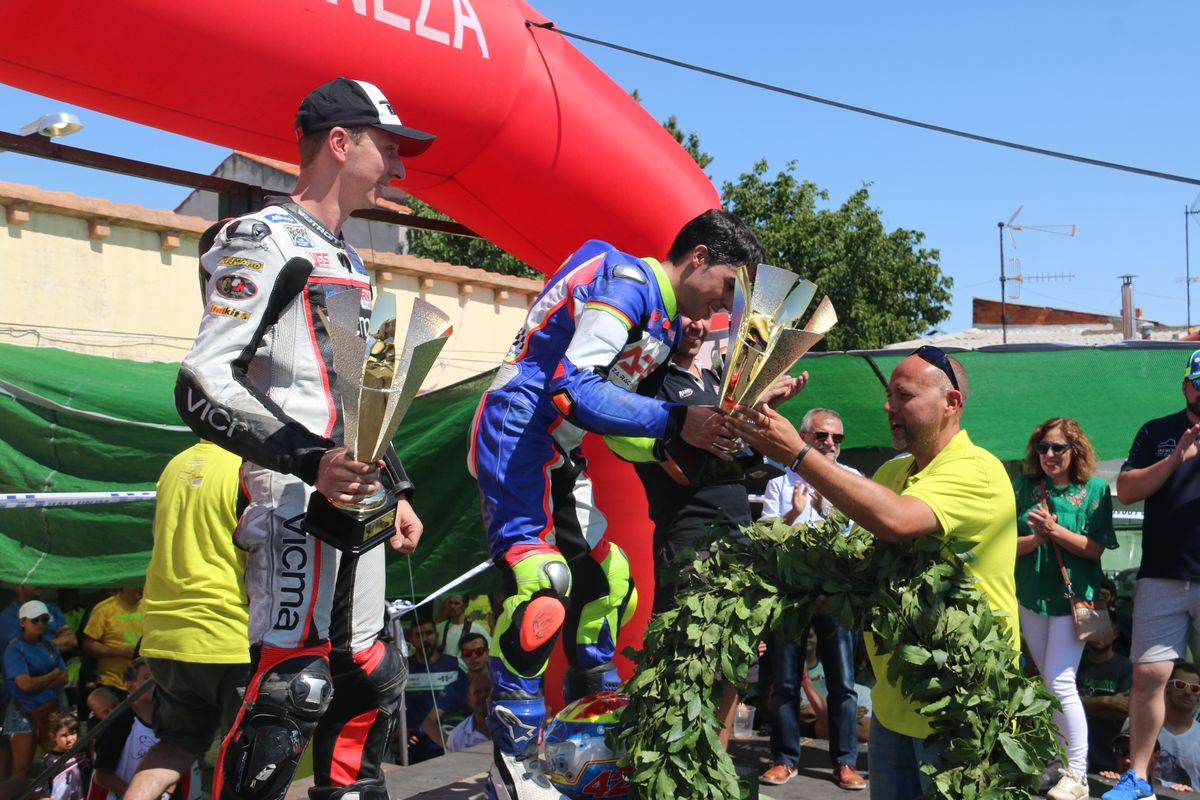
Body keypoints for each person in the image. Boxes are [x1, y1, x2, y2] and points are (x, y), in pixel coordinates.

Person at [173, 77, 433, 800]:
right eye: (389, 148)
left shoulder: (347, 256)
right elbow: (202, 380)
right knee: (294, 686)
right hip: (293, 495)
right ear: (340, 144)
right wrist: (309, 461)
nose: (399, 167)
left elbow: (357, 397)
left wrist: (396, 483)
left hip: (355, 492)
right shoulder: (261, 235)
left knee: (371, 671)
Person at [468, 209, 764, 797]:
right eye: (729, 287)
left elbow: (619, 419)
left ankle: (588, 739)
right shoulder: (629, 281)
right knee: (543, 585)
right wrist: (675, 420)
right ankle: (515, 763)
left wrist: (673, 443)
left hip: (560, 452)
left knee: (610, 584)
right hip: (518, 434)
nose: (724, 308)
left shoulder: (660, 317)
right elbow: (571, 386)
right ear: (699, 257)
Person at [729, 345, 1019, 800]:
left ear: (951, 403)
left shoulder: (977, 470)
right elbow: (862, 557)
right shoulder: (891, 470)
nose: (888, 406)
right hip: (894, 704)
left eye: (903, 395)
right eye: (889, 396)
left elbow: (898, 520)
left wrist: (799, 454)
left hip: (961, 707)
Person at [121, 441, 249, 800]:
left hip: (164, 637)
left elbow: (157, 534)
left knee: (175, 745)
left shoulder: (175, 464)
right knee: (252, 754)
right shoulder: (249, 466)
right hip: (227, 634)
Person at [1103, 350, 1200, 800]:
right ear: (1186, 387)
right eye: (1199, 383)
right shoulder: (1157, 432)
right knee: (1148, 676)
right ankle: (1138, 777)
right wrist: (1175, 459)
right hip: (1161, 575)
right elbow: (1125, 489)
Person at [758, 408, 866, 791]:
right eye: (822, 436)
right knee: (785, 681)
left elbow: (860, 539)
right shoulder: (780, 483)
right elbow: (765, 540)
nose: (830, 444)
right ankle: (784, 759)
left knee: (844, 683)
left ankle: (845, 762)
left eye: (837, 438)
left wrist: (825, 511)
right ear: (804, 438)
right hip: (792, 593)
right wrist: (793, 513)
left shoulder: (853, 480)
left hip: (836, 594)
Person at [1013, 417, 1117, 800]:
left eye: (1058, 447)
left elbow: (1095, 548)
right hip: (1031, 594)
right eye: (1043, 448)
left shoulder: (1095, 490)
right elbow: (1009, 542)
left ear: (1075, 450)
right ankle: (1059, 765)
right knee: (1051, 684)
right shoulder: (1024, 486)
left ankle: (1077, 773)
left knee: (1059, 683)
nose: (1049, 455)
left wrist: (1056, 532)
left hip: (1073, 599)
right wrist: (1037, 538)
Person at [90, 660, 199, 800]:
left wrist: (165, 793)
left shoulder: (171, 719)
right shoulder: (119, 722)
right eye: (147, 678)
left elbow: (176, 764)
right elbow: (102, 776)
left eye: (159, 676)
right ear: (131, 687)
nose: (156, 683)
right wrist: (140, 795)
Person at [4, 601, 68, 778]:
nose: (40, 623)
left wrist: (39, 681)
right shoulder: (15, 649)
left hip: (49, 712)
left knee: (60, 763)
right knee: (22, 768)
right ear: (22, 622)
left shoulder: (50, 646)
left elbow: (64, 677)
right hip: (22, 713)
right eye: (34, 620)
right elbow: (24, 684)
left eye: (44, 619)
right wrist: (51, 675)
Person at [1078, 619, 1133, 775]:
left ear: (1115, 634)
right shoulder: (1076, 662)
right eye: (1095, 631)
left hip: (1109, 755)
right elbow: (1061, 704)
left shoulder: (1125, 666)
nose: (1099, 635)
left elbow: (1122, 711)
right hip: (1076, 751)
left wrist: (1080, 705)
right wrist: (1108, 701)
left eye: (1104, 631)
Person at [402, 621, 460, 764]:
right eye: (418, 635)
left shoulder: (454, 664)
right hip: (413, 750)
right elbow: (390, 703)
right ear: (411, 639)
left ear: (436, 636)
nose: (424, 639)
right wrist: (399, 731)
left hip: (448, 746)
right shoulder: (403, 667)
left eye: (428, 633)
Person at [80, 588, 144, 706]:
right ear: (125, 586)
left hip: (142, 683)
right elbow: (88, 645)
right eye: (137, 584)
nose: (141, 587)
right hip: (113, 684)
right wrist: (119, 652)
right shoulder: (103, 609)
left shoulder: (149, 605)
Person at [1154, 661, 1200, 791]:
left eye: (1194, 688)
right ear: (1167, 687)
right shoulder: (1144, 727)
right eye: (1180, 685)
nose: (1187, 692)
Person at [0, 586, 76, 658]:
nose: (37, 583)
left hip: (54, 663)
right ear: (18, 586)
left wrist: (36, 646)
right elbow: (22, 650)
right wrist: (59, 643)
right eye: (32, 579)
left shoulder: (52, 608)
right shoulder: (8, 616)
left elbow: (71, 641)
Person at [34, 711, 91, 800]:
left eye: (73, 733)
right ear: (53, 736)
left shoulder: (83, 752)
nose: (69, 739)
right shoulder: (48, 761)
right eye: (64, 735)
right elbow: (44, 795)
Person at [434, 596, 490, 660]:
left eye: (456, 603)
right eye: (450, 603)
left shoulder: (477, 629)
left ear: (465, 606)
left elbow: (489, 650)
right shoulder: (438, 628)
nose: (452, 606)